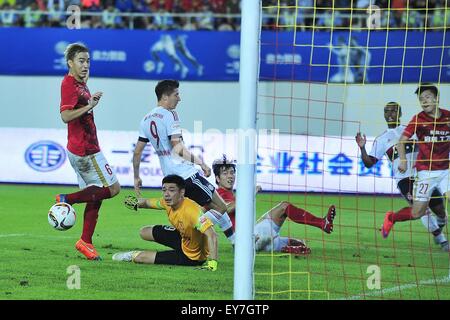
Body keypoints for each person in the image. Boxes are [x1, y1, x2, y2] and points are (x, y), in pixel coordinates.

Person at [132, 79, 235, 244]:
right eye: (176, 94)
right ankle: (193, 232)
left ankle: (231, 239)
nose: (179, 98)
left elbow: (137, 152)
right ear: (165, 97)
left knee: (204, 208)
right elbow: (178, 148)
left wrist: (136, 177)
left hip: (170, 178)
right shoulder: (170, 114)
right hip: (186, 174)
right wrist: (200, 162)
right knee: (221, 207)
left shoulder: (145, 119)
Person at [56, 43, 121, 260]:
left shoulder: (80, 83)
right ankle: (67, 198)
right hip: (86, 150)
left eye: (88, 61)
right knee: (112, 189)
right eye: (81, 61)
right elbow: (65, 116)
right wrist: (90, 106)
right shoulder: (69, 84)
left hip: (82, 147)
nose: (86, 65)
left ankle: (86, 242)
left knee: (94, 196)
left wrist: (88, 97)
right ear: (70, 63)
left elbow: (80, 99)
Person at [356, 101, 449, 251]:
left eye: (394, 111)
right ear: (384, 115)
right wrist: (362, 148)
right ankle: (442, 240)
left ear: (400, 114)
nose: (390, 114)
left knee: (441, 213)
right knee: (421, 210)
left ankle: (392, 217)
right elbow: (369, 163)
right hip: (405, 180)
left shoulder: (412, 130)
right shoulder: (382, 139)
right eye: (387, 111)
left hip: (424, 175)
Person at [211, 155, 337, 254]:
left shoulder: (230, 194)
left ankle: (287, 247)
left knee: (299, 242)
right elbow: (226, 209)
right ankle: (321, 224)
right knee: (284, 207)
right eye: (225, 173)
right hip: (247, 240)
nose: (230, 176)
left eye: (232, 172)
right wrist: (248, 195)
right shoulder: (220, 193)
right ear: (217, 178)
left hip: (253, 236)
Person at [381, 84, 450, 249]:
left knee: (442, 212)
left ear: (436, 98)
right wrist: (403, 160)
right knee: (418, 212)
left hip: (445, 170)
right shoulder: (418, 119)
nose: (424, 101)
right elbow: (401, 142)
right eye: (421, 99)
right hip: (424, 173)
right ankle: (393, 218)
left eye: (427, 97)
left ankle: (440, 231)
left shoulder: (448, 117)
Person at [113, 175, 218, 271]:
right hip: (183, 238)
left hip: (192, 256)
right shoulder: (167, 202)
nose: (167, 194)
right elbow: (147, 203)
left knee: (141, 258)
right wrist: (136, 203)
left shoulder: (192, 211)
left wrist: (212, 263)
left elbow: (212, 235)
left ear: (182, 192)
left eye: (171, 190)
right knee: (144, 231)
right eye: (164, 190)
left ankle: (131, 256)